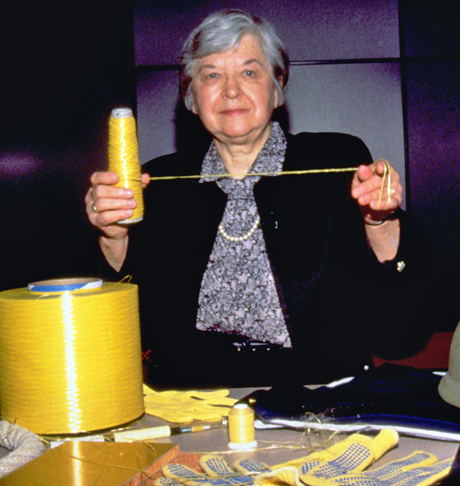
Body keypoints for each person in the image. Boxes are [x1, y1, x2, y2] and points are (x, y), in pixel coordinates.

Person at [85, 10, 431, 388]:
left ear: (277, 86)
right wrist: (113, 237)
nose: (231, 90)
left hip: (316, 391)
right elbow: (127, 324)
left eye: (249, 72)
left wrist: (379, 221)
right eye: (212, 74)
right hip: (193, 395)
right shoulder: (159, 182)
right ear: (191, 97)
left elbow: (400, 331)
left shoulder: (337, 161)